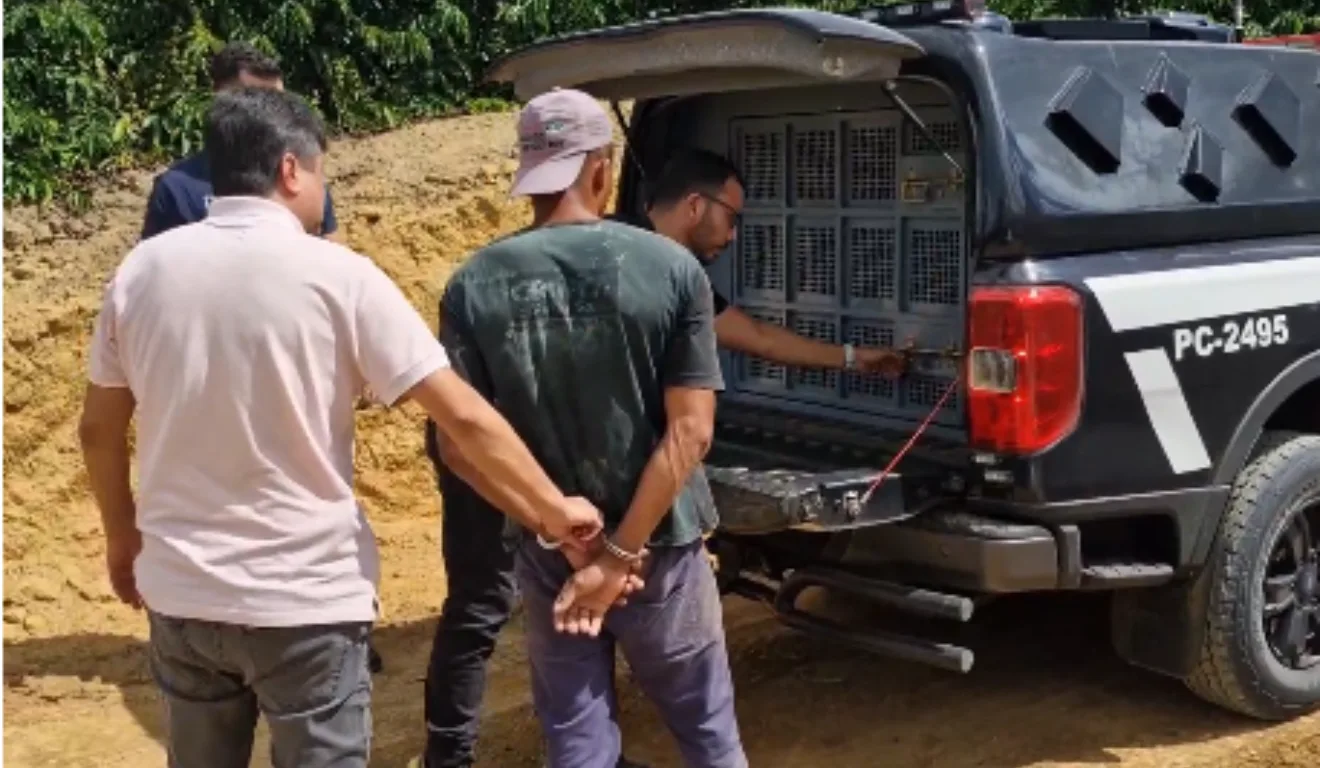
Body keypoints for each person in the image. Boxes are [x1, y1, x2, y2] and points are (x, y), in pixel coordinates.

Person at [78, 86, 603, 768]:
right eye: (321, 172)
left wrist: (123, 539)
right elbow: (464, 415)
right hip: (304, 602)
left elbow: (98, 428)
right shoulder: (339, 276)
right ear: (291, 170)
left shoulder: (139, 273)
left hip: (182, 595)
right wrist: (555, 512)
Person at [424, 88, 746, 768]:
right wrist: (619, 555)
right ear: (601, 168)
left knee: (576, 739)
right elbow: (691, 433)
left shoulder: (473, 283)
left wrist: (566, 542)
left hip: (549, 561)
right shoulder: (671, 269)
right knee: (706, 733)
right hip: (660, 550)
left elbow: (459, 445)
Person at [619, 147, 906, 376]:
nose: (733, 236)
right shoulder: (633, 260)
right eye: (731, 218)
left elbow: (760, 338)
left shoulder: (678, 277)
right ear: (695, 206)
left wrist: (853, 358)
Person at [140, 41, 341, 243]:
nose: (269, 112)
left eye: (278, 102)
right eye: (253, 100)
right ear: (219, 99)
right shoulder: (178, 189)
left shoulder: (302, 174)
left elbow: (333, 256)